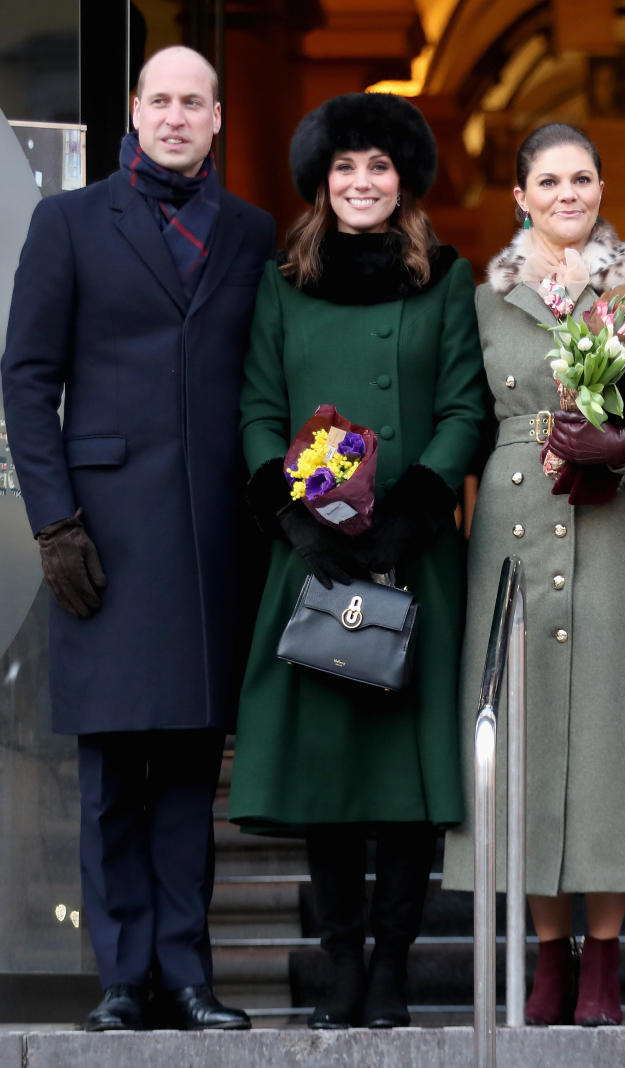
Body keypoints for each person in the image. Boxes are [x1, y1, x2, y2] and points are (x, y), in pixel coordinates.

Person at [0, 47, 275, 1030]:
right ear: (135, 110)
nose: (173, 116)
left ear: (214, 120)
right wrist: (54, 521)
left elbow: (265, 377)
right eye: (158, 99)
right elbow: (26, 380)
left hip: (209, 536)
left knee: (191, 772)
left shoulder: (248, 232)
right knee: (114, 772)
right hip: (102, 539)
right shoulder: (69, 221)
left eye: (192, 101)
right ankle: (123, 979)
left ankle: (188, 976)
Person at [227, 92, 486, 1030]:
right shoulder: (280, 285)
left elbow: (466, 407)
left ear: (403, 180)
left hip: (409, 558)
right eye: (345, 167)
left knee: (404, 780)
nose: (362, 182)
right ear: (321, 183)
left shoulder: (447, 279)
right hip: (314, 559)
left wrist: (411, 510)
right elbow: (257, 407)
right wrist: (294, 516)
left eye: (378, 166)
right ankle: (339, 963)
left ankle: (391, 967)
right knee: (330, 777)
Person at [442, 123, 625, 1026]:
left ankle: (605, 961)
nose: (568, 193)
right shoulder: (483, 301)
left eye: (582, 178)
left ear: (601, 186)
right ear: (520, 195)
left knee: (609, 741)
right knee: (528, 741)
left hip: (612, 530)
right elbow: (464, 417)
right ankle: (548, 955)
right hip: (510, 533)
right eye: (549, 180)